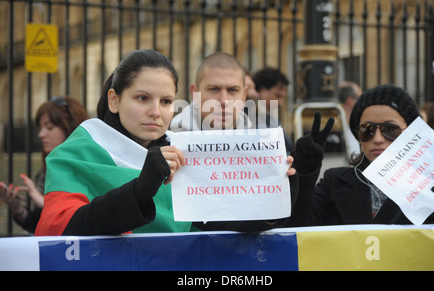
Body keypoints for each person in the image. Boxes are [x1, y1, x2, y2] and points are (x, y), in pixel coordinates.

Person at [35, 50, 190, 236]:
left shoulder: (184, 154)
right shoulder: (75, 153)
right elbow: (57, 229)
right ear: (114, 100)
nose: (156, 112)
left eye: (166, 101)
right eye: (142, 98)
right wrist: (139, 191)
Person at [170, 52, 299, 232]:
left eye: (232, 90)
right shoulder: (168, 143)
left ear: (244, 94)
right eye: (214, 89)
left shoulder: (264, 144)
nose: (224, 101)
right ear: (195, 93)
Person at [286, 85, 434, 227]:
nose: (377, 139)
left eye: (390, 130)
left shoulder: (433, 185)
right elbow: (298, 230)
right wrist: (305, 174)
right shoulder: (334, 181)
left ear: (411, 133)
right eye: (367, 130)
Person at [0, 96, 88, 234]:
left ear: (70, 128)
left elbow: (88, 220)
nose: (41, 134)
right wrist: (17, 208)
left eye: (49, 127)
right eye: (41, 128)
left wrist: (44, 202)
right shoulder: (45, 172)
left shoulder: (87, 168)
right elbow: (40, 226)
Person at [252, 67, 294, 153]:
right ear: (262, 89)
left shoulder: (270, 118)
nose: (280, 103)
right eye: (278, 96)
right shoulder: (246, 119)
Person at [338, 81, 363, 158]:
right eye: (360, 98)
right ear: (350, 100)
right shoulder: (335, 127)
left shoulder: (360, 124)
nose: (362, 102)